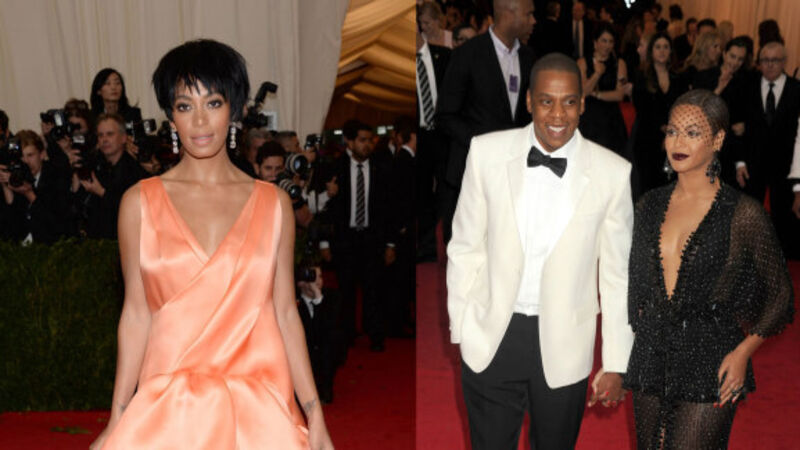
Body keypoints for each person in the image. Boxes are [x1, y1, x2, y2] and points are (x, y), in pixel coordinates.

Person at [89, 39, 333, 450]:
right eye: (185, 106)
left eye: (213, 103)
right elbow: (135, 315)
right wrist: (117, 416)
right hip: (168, 416)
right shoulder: (139, 203)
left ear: (234, 111)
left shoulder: (273, 205)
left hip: (257, 416)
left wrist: (315, 413)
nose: (200, 121)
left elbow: (285, 313)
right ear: (171, 117)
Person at [448, 53, 634, 449]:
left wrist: (617, 361)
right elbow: (465, 245)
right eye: (547, 101)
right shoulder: (486, 152)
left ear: (582, 104)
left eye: (569, 102)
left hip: (566, 343)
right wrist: (462, 325)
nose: (558, 114)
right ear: (530, 101)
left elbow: (617, 276)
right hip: (492, 336)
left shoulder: (613, 173)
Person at [624, 89, 794, 448]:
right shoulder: (648, 205)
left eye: (692, 133)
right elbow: (635, 287)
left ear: (717, 140)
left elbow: (781, 296)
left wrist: (743, 352)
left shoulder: (742, 213)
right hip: (651, 354)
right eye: (672, 131)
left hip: (711, 357)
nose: (678, 142)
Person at [437, 0, 536, 243]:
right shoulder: (467, 54)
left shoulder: (529, 57)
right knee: (469, 251)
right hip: (471, 174)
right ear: (509, 13)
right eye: (529, 14)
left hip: (514, 178)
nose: (534, 21)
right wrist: (486, 145)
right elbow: (445, 115)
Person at [736, 41, 800, 258]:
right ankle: (748, 256)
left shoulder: (796, 89)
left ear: (784, 62)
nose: (770, 65)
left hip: (786, 166)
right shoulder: (747, 86)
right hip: (753, 164)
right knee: (749, 213)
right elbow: (739, 128)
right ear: (759, 62)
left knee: (784, 217)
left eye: (775, 60)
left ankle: (781, 259)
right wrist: (740, 162)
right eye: (765, 60)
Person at [630, 32, 685, 198]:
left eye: (666, 47)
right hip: (647, 138)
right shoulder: (641, 76)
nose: (662, 51)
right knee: (648, 186)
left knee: (669, 186)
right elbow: (642, 108)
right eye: (658, 47)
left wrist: (671, 131)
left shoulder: (678, 77)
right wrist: (662, 128)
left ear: (671, 51)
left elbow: (682, 107)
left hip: (674, 138)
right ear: (651, 51)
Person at [578, 22, 631, 160]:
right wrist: (597, 74)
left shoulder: (619, 63)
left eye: (610, 41)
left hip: (611, 119)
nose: (607, 45)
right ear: (595, 43)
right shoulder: (583, 63)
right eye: (604, 41)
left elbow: (619, 94)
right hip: (588, 118)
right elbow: (582, 93)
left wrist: (596, 94)